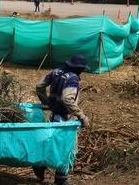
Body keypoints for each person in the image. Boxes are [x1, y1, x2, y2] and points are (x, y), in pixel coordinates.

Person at [33, 54, 90, 185]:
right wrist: (82, 116)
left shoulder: (56, 72)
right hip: (65, 119)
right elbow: (67, 99)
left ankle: (41, 165)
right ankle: (60, 179)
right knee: (67, 148)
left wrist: (47, 101)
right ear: (78, 68)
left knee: (53, 144)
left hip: (54, 116)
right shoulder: (73, 78)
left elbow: (39, 86)